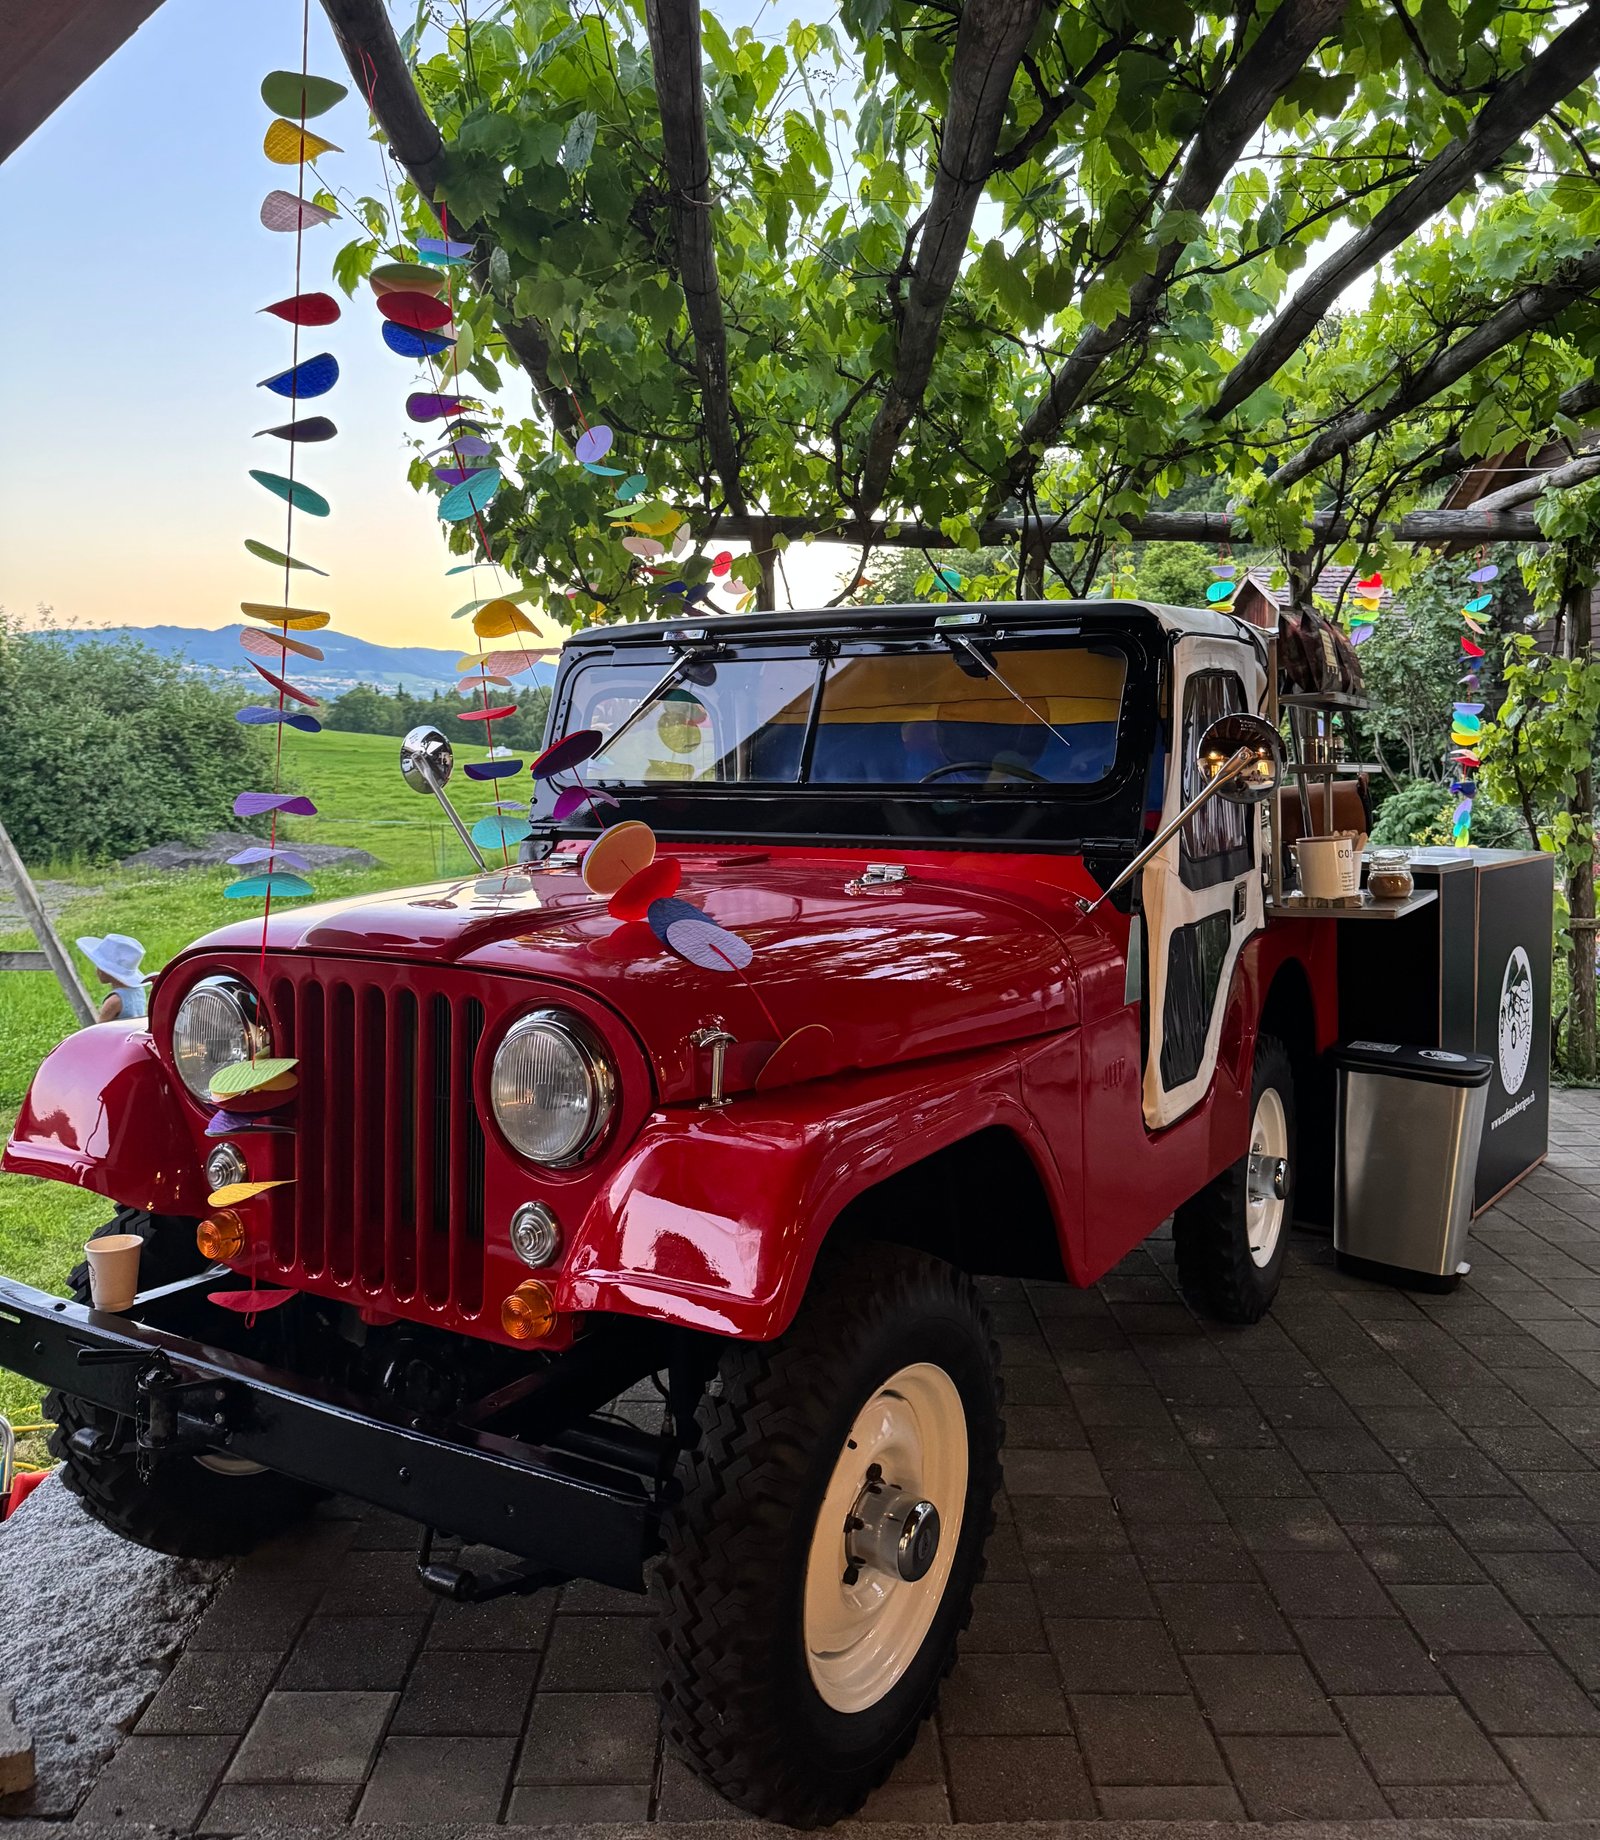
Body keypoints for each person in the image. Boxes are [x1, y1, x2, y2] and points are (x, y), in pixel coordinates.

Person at [75, 933, 149, 1023]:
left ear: (108, 971)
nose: (97, 971)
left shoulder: (114, 1001)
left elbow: (99, 1030)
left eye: (99, 967)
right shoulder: (139, 991)